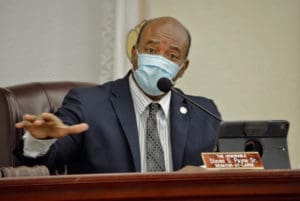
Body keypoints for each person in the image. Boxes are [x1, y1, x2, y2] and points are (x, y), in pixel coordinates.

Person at [14, 16, 221, 174]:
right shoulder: (88, 105)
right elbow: (43, 165)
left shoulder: (205, 115)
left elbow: (226, 174)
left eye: (172, 56)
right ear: (134, 54)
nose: (159, 60)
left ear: (182, 68)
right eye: (151, 49)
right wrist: (40, 140)